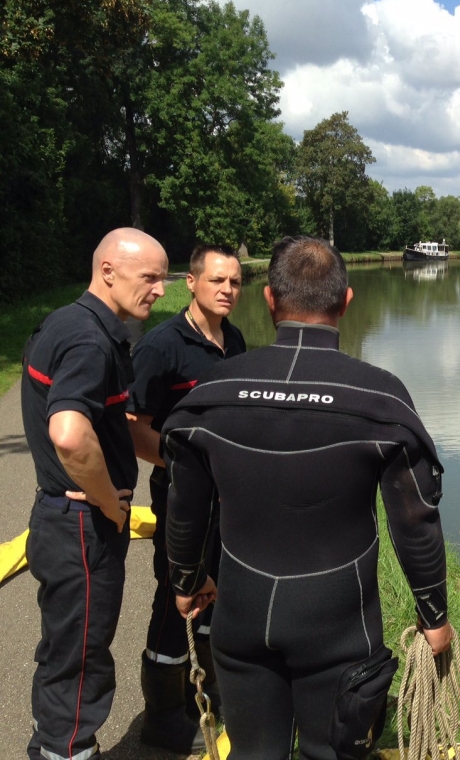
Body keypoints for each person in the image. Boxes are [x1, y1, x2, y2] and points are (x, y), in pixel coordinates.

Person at [161, 236, 453, 760]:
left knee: (253, 753)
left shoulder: (212, 392)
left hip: (241, 617)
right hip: (339, 628)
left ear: (270, 301)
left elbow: (186, 504)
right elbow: (415, 522)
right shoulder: (381, 397)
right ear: (345, 302)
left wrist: (185, 580)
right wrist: (433, 616)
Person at [22, 228, 167, 760]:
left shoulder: (69, 321)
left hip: (60, 521)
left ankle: (55, 747)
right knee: (82, 659)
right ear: (108, 270)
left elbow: (108, 425)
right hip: (80, 528)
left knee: (65, 648)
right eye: (149, 277)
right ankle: (66, 751)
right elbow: (69, 433)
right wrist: (109, 501)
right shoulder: (88, 339)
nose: (159, 289)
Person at [126, 243, 245, 753]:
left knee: (218, 593)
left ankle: (209, 689)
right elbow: (134, 427)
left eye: (235, 283)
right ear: (191, 283)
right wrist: (185, 468)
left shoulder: (235, 340)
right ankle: (163, 715)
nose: (227, 290)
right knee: (176, 596)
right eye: (217, 280)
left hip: (230, 497)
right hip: (180, 496)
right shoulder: (161, 346)